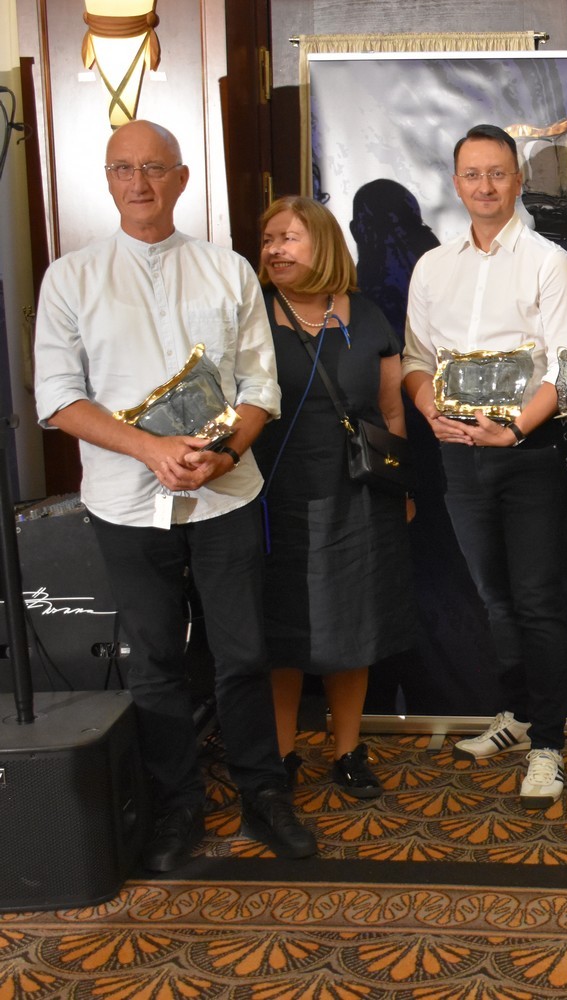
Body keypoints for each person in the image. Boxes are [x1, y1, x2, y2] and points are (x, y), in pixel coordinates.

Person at [32, 120, 315, 870]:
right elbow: (58, 398)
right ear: (107, 179)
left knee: (243, 654)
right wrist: (151, 450)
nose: (139, 183)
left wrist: (223, 455)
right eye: (123, 169)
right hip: (127, 501)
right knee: (155, 661)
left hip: (226, 494)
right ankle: (177, 808)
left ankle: (264, 797)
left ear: (181, 178)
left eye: (154, 168)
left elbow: (260, 387)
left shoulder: (227, 270)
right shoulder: (70, 278)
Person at [403, 123, 567, 808]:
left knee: (536, 602)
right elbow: (416, 361)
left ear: (518, 182)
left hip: (527, 454)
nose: (485, 186)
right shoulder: (432, 267)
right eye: (473, 174)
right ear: (456, 183)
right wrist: (429, 411)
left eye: (498, 173)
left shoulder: (548, 263)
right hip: (456, 454)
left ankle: (549, 746)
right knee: (493, 599)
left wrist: (511, 431)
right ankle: (516, 716)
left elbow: (565, 370)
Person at [254, 195, 414, 799]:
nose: (275, 249)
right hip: (277, 501)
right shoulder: (251, 315)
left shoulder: (368, 316)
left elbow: (392, 412)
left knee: (355, 627)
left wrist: (400, 486)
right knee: (282, 632)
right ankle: (281, 755)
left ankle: (348, 751)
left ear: (322, 244)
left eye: (288, 238)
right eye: (268, 239)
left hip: (361, 501)